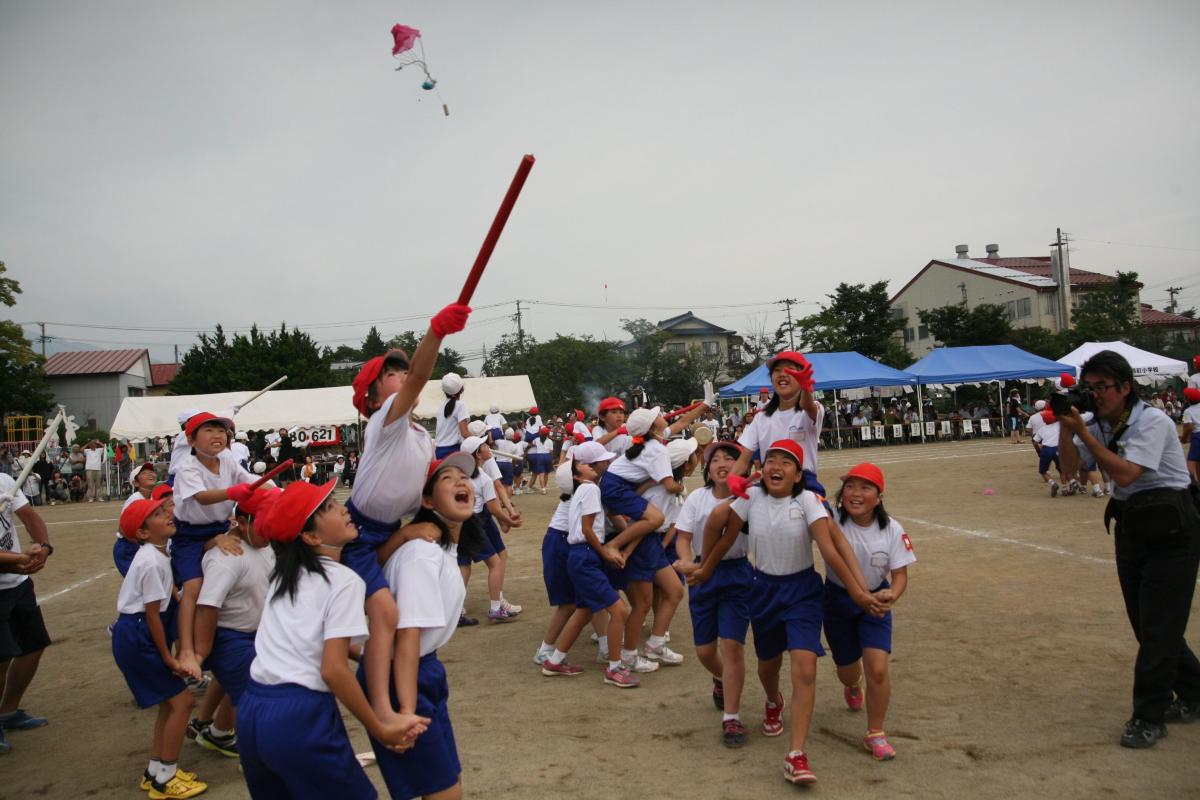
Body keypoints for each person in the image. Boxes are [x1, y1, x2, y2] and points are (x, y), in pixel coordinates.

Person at [695, 440, 881, 785]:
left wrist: (858, 591)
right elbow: (723, 531)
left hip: (803, 594)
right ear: (761, 469)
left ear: (798, 475)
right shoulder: (751, 499)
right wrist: (706, 566)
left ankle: (796, 754)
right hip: (763, 590)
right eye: (770, 461)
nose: (776, 466)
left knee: (805, 667)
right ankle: (772, 699)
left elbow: (829, 549)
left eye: (786, 462)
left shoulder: (808, 500)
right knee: (768, 665)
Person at [237, 480, 428, 797]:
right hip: (298, 715)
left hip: (252, 710)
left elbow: (303, 637)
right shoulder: (343, 580)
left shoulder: (283, 575)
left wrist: (366, 655)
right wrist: (379, 728)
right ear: (311, 537)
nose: (343, 508)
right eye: (328, 508)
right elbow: (332, 670)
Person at [1059, 350, 1200, 748]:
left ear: (1125, 387)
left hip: (1172, 529)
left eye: (1101, 387)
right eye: (1089, 388)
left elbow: (1125, 472)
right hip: (1132, 526)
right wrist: (1066, 432)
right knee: (1147, 624)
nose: (1094, 396)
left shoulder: (1151, 421)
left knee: (1159, 628)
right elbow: (1070, 471)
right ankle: (1195, 692)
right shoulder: (1094, 423)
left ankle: (1148, 716)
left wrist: (1084, 433)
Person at [346, 301, 471, 739]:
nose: (404, 377)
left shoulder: (419, 433)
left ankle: (369, 666)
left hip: (381, 531)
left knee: (380, 621)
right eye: (391, 375)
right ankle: (385, 709)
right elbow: (419, 377)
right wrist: (435, 332)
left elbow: (439, 484)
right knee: (384, 617)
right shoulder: (386, 423)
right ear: (375, 399)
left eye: (401, 371)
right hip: (357, 532)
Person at [365, 453, 486, 799]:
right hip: (404, 675)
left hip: (422, 669)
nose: (462, 482)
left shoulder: (440, 548)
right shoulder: (422, 554)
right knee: (442, 792)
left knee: (447, 783)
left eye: (465, 477)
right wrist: (404, 711)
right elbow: (406, 637)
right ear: (428, 500)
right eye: (448, 478)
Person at [111, 498, 206, 798]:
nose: (167, 514)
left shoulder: (157, 554)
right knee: (183, 702)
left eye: (164, 510)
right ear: (142, 533)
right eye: (156, 514)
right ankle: (166, 776)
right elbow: (152, 614)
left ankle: (155, 771)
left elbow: (171, 598)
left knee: (170, 702)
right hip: (139, 634)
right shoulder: (151, 561)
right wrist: (168, 657)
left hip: (136, 633)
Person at [825, 463, 915, 761]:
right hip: (837, 601)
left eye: (865, 488)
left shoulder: (892, 529)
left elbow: (900, 575)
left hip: (876, 603)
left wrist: (893, 593)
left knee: (877, 667)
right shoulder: (831, 520)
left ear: (879, 496)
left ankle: (876, 732)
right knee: (847, 670)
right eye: (850, 486)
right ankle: (852, 683)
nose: (856, 494)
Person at [673, 441, 752, 747]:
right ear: (707, 469)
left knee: (732, 646)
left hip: (737, 574)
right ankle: (720, 679)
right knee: (706, 652)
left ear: (740, 466)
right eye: (715, 459)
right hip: (702, 574)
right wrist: (686, 562)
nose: (722, 463)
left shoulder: (749, 497)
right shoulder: (697, 498)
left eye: (729, 458)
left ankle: (731, 718)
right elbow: (683, 537)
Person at [192, 488, 279, 760]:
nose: (270, 530)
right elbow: (207, 607)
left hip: (255, 634)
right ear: (242, 522)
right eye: (264, 524)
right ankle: (260, 756)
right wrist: (200, 655)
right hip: (229, 637)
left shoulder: (264, 546)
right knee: (257, 692)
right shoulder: (227, 558)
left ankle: (217, 732)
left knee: (239, 684)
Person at [541, 443, 635, 686]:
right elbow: (586, 529)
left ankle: (555, 660)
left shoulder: (582, 490)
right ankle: (614, 667)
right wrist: (605, 552)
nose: (595, 467)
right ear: (576, 472)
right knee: (620, 611)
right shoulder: (591, 490)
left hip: (580, 555)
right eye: (587, 465)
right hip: (586, 556)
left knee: (583, 612)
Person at [0, 471, 53, 756]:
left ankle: (7, 711)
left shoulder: (4, 481)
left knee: (33, 646)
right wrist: (20, 559)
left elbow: (30, 517)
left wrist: (43, 547)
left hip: (17, 584)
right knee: (1, 656)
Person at [434, 373, 469, 459]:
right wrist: (480, 441)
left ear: (444, 391)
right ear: (461, 389)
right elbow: (464, 433)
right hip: (453, 451)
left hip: (438, 451)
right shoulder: (461, 405)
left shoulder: (440, 407)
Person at [1181, 387, 1200, 485]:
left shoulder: (1187, 411)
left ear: (1188, 399)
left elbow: (1189, 427)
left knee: (1191, 463)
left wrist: (1183, 438)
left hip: (1198, 436)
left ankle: (1192, 487)